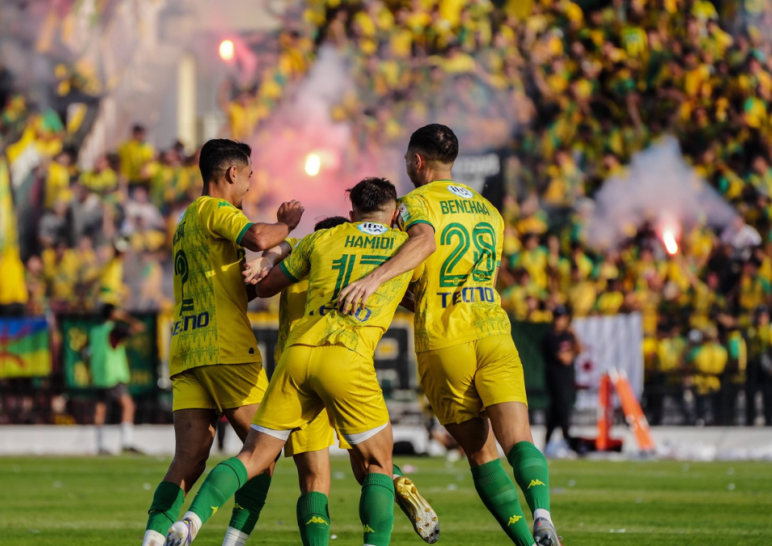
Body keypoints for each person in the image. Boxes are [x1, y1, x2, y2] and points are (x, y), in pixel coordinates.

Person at [337, 124, 559, 546]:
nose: (405, 169)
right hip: (493, 329)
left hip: (444, 336)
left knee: (480, 452)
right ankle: (544, 514)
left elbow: (414, 269)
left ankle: (528, 544)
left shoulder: (411, 205)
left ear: (418, 162)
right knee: (520, 441)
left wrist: (375, 282)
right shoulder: (490, 211)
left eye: (406, 162)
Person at [164, 177, 416, 546]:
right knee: (377, 464)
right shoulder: (404, 247)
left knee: (255, 457)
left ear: (352, 214)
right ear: (395, 213)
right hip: (347, 356)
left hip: (297, 358)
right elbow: (420, 295)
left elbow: (264, 286)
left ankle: (191, 521)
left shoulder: (316, 242)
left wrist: (271, 256)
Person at [140, 139, 304, 546]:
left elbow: (232, 289)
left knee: (189, 458)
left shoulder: (186, 221)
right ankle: (219, 535)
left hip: (188, 349)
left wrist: (254, 276)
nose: (249, 186)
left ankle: (154, 538)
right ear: (232, 173)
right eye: (248, 176)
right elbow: (260, 237)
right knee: (263, 451)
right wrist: (288, 225)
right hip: (226, 347)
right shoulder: (215, 210)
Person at [244, 214, 440, 545]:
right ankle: (395, 480)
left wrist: (272, 253)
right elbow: (407, 297)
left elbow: (258, 287)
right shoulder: (353, 272)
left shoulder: (296, 266)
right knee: (369, 465)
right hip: (346, 367)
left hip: (298, 372)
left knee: (313, 480)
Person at [91, 303, 145, 454]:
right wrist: (126, 317)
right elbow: (140, 327)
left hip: (98, 375)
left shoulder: (95, 331)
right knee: (128, 406)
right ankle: (127, 442)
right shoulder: (114, 330)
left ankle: (100, 445)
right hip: (112, 375)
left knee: (100, 409)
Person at [542, 305, 579, 451]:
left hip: (566, 378)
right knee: (562, 410)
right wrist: (571, 352)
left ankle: (548, 442)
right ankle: (567, 440)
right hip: (555, 378)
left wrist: (575, 336)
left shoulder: (568, 336)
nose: (560, 321)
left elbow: (580, 349)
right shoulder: (550, 336)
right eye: (558, 317)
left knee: (557, 412)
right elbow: (565, 359)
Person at [744, 306, 772, 426]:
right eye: (759, 316)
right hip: (753, 363)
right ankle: (750, 420)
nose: (760, 319)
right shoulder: (750, 328)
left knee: (768, 393)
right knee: (750, 393)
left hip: (767, 364)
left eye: (763, 316)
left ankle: (769, 420)